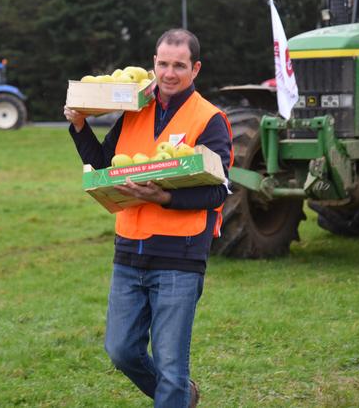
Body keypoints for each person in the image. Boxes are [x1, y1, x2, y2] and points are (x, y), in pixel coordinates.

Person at [64, 29, 233, 408]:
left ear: (195, 69)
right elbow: (106, 166)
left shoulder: (210, 119)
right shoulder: (134, 111)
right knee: (121, 350)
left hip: (180, 258)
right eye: (162, 64)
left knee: (172, 365)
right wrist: (79, 126)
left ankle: (175, 392)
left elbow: (219, 190)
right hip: (129, 252)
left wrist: (166, 197)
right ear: (153, 63)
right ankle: (181, 396)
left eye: (179, 65)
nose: (169, 73)